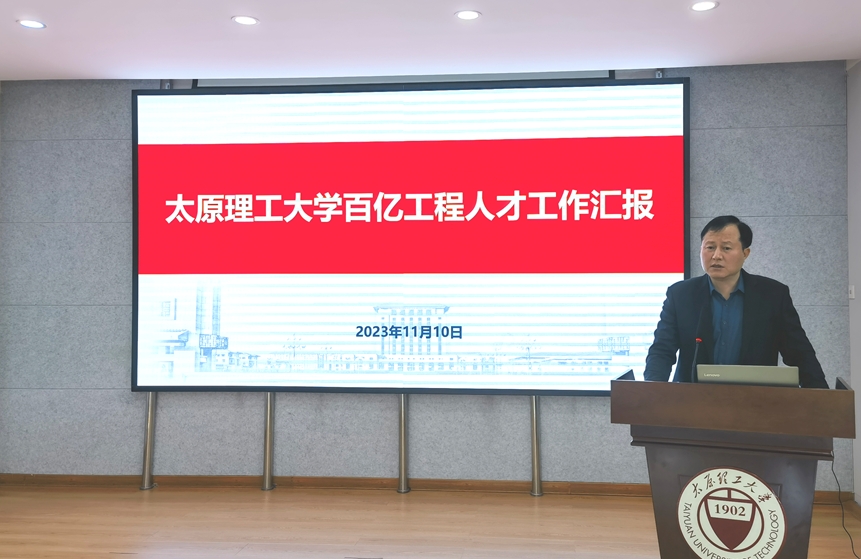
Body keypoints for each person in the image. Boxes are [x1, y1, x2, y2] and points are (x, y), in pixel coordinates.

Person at [644, 215, 828, 388]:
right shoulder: (680, 295)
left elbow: (799, 353)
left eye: (726, 248)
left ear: (745, 253)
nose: (716, 256)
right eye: (710, 247)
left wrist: (821, 396)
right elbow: (662, 350)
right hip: (694, 400)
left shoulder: (772, 295)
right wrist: (651, 393)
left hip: (755, 400)